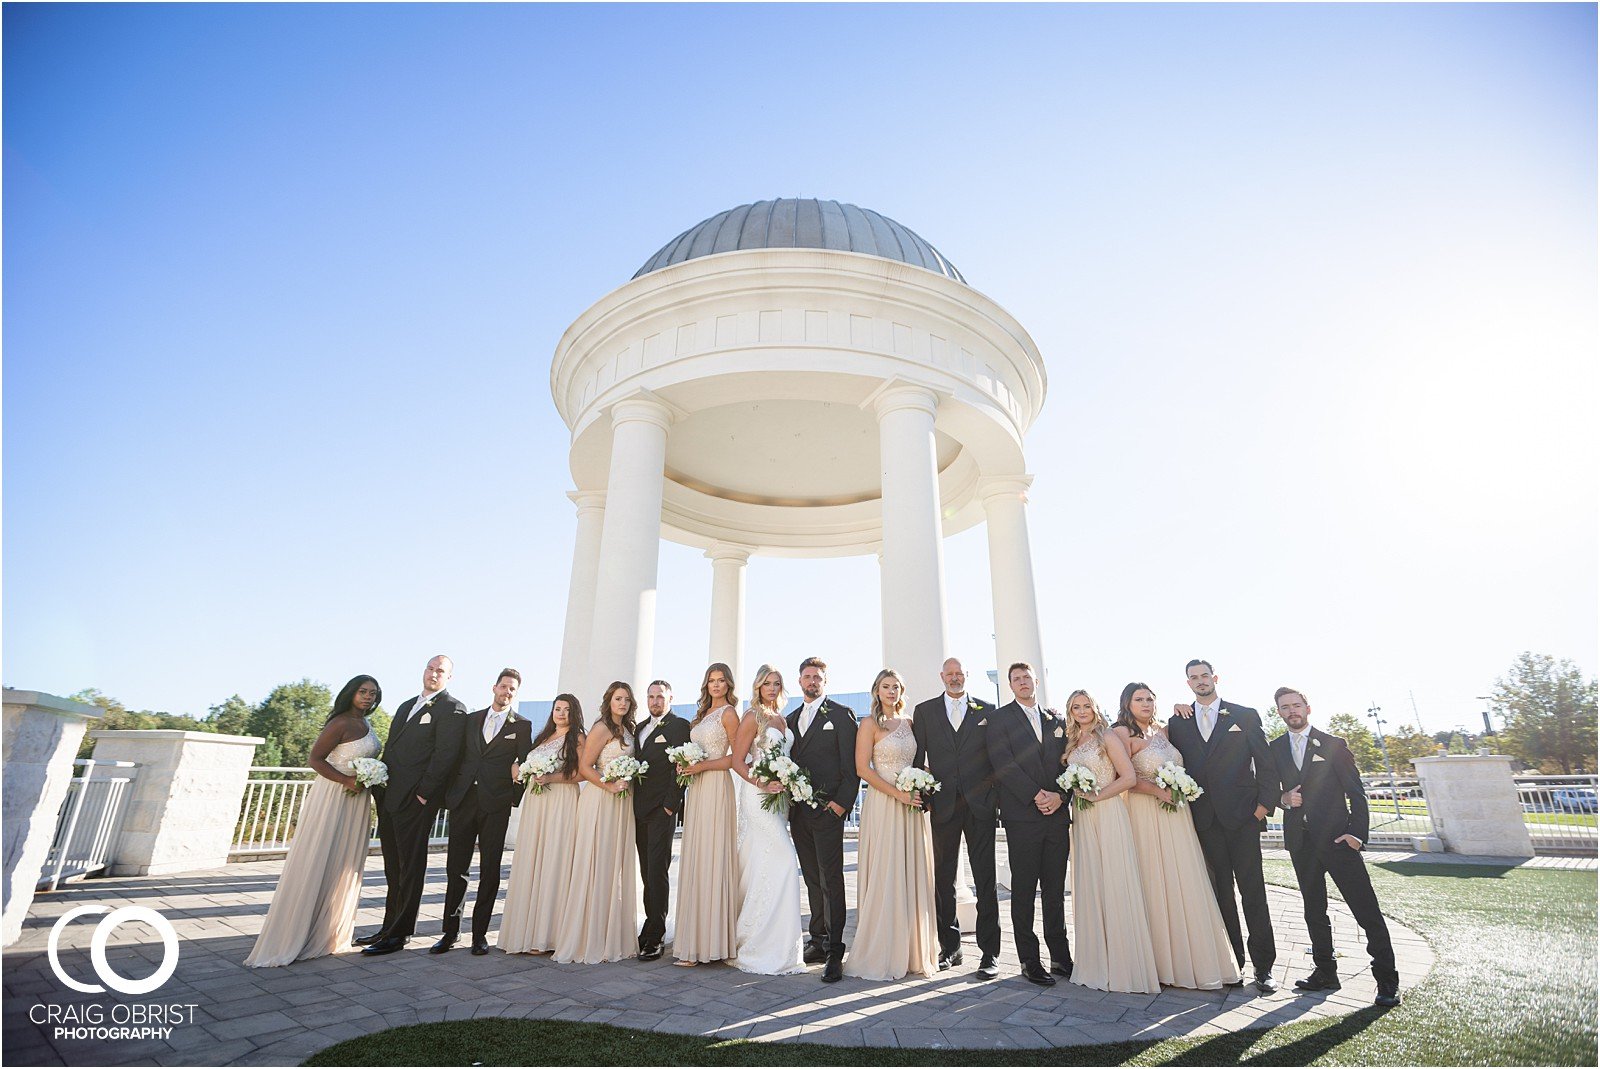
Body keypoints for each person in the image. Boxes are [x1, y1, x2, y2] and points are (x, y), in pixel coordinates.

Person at [1270, 687, 1400, 1007]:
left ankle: (1387, 981)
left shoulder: (1333, 745)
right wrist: (1283, 800)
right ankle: (1325, 972)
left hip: (1339, 842)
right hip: (1301, 844)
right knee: (1314, 911)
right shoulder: (1274, 749)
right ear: (1279, 713)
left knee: (1366, 910)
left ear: (1308, 708)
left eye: (1296, 705)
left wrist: (1356, 834)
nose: (1291, 711)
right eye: (1285, 707)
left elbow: (1357, 793)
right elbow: (1268, 790)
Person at [246, 675, 383, 967]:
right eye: (363, 691)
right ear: (351, 693)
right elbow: (316, 759)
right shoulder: (340, 722)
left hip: (357, 802)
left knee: (344, 862)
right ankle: (297, 932)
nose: (368, 697)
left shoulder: (367, 724)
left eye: (373, 693)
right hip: (334, 796)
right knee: (321, 856)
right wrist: (346, 779)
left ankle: (329, 931)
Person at [1114, 682, 1241, 990]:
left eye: (1149, 699)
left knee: (1185, 879)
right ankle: (1160, 963)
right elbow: (1126, 777)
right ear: (1127, 704)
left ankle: (1196, 959)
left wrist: (1181, 711)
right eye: (1138, 699)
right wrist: (1160, 791)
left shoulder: (1165, 731)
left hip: (1178, 816)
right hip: (1145, 815)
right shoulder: (1120, 734)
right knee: (1154, 880)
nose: (1145, 704)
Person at [1167, 658, 1279, 993]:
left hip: (1244, 818)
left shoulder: (1244, 715)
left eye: (1204, 675)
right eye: (1193, 678)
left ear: (1215, 678)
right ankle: (1234, 964)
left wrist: (1263, 807)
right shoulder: (1177, 722)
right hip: (1204, 820)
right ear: (1187, 683)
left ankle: (1264, 967)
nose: (1200, 681)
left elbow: (1266, 763)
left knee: (1253, 892)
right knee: (1220, 895)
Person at [361, 656, 468, 956]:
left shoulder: (453, 709)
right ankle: (387, 927)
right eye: (431, 668)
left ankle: (400, 934)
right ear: (424, 671)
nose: (434, 674)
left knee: (411, 867)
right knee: (393, 866)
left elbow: (446, 755)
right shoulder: (406, 705)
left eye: (441, 671)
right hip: (389, 796)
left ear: (449, 677)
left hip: (416, 800)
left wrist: (423, 793)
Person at [1062, 689, 1160, 994]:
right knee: (1092, 884)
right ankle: (1094, 961)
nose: (1081, 711)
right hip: (1082, 819)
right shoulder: (1071, 741)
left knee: (1116, 882)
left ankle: (1123, 965)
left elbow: (1128, 777)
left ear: (1095, 707)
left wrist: (1097, 796)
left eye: (1086, 705)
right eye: (1075, 707)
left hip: (1108, 812)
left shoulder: (1108, 737)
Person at [911, 657, 1001, 979]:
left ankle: (990, 952)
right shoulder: (925, 711)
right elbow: (917, 758)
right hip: (943, 806)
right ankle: (950, 947)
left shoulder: (987, 710)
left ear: (966, 676)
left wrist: (993, 795)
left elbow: (998, 756)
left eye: (959, 673)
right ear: (942, 677)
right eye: (949, 674)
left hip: (980, 807)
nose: (954, 678)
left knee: (986, 879)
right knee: (943, 880)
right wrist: (924, 795)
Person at [845, 668, 938, 981]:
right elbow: (862, 768)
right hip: (885, 804)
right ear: (876, 690)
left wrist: (921, 783)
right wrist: (897, 793)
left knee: (912, 870)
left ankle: (912, 950)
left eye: (896, 687)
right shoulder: (870, 724)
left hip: (911, 806)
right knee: (887, 870)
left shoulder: (912, 723)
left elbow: (921, 760)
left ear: (902, 690)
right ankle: (883, 948)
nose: (891, 691)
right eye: (886, 686)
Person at [433, 668, 533, 955]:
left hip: (495, 805)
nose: (507, 692)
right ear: (494, 688)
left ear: (516, 693)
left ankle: (479, 935)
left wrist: (512, 797)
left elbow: (525, 766)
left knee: (490, 870)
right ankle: (450, 933)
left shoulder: (521, 726)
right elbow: (455, 756)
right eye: (503, 686)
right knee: (456, 868)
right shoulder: (471, 719)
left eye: (512, 689)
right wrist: (450, 794)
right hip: (464, 800)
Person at [984, 662, 1072, 986]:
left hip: (1057, 815)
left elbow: (1070, 762)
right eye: (1016, 679)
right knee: (1023, 890)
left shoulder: (1058, 721)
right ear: (1010, 685)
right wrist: (1036, 795)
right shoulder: (999, 720)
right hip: (1023, 816)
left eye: (1027, 677)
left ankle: (1061, 957)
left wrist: (1061, 795)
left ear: (1037, 680)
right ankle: (1029, 960)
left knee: (1054, 891)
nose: (1022, 682)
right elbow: (1003, 764)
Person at [554, 681, 642, 964]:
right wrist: (609, 786)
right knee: (596, 863)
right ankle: (589, 936)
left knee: (614, 865)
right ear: (609, 701)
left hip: (622, 802)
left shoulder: (629, 730)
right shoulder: (601, 727)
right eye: (618, 699)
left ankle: (612, 934)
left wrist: (626, 781)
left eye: (627, 699)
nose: (623, 704)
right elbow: (584, 767)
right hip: (602, 799)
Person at [785, 656, 859, 983]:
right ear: (799, 681)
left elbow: (852, 767)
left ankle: (835, 951)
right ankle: (817, 940)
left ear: (825, 682)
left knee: (832, 880)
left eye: (817, 677)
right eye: (807, 676)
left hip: (829, 811)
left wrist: (841, 805)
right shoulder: (788, 720)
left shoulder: (841, 716)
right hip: (798, 813)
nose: (812, 681)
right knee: (812, 878)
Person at [728, 664, 805, 975]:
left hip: (780, 800)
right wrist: (761, 783)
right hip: (758, 797)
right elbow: (736, 760)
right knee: (785, 861)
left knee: (765, 864)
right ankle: (756, 939)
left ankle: (779, 944)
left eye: (776, 683)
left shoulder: (784, 719)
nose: (772, 688)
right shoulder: (753, 717)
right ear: (758, 686)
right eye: (767, 683)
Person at [499, 693, 585, 956]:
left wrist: (552, 777)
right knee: (533, 859)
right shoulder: (542, 737)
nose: (561, 713)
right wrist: (519, 770)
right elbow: (522, 763)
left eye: (567, 709)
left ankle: (549, 935)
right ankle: (527, 929)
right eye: (557, 708)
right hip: (536, 804)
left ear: (575, 713)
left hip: (561, 801)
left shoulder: (578, 738)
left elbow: (582, 772)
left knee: (555, 860)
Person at [672, 663, 741, 965]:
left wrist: (700, 766)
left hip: (715, 786)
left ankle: (713, 943)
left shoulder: (729, 714)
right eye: (711, 681)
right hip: (696, 788)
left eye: (721, 680)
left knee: (713, 855)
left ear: (728, 684)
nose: (715, 685)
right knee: (697, 856)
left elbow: (735, 758)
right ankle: (693, 940)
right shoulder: (700, 716)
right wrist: (684, 763)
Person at [631, 680, 691, 961]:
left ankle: (656, 935)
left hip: (661, 810)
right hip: (637, 810)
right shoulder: (639, 728)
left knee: (657, 871)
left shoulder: (679, 726)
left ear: (671, 698)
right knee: (646, 872)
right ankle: (649, 923)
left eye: (660, 697)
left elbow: (681, 767)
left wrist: (670, 805)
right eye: (651, 696)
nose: (655, 701)